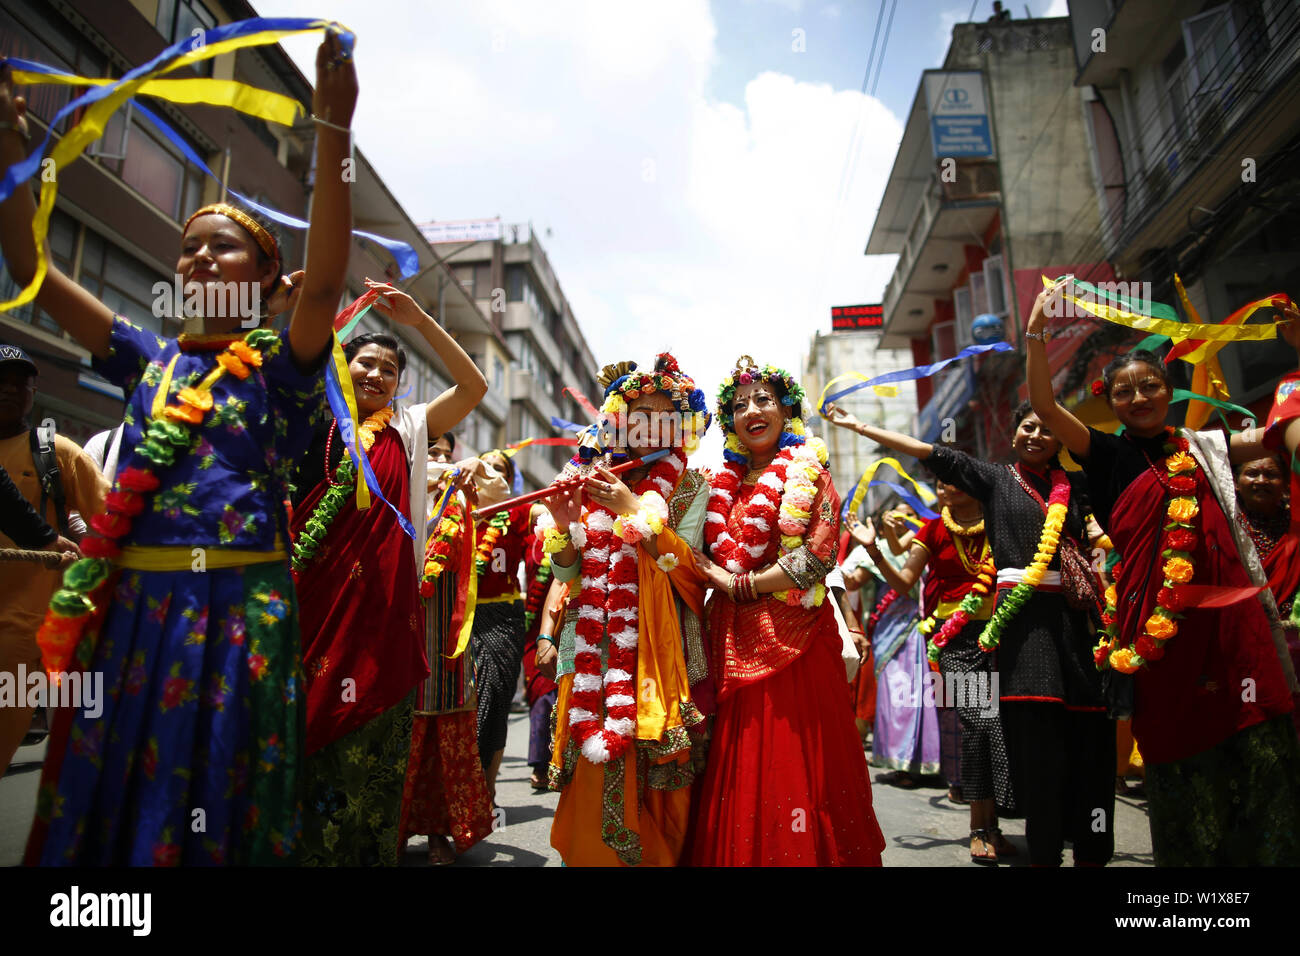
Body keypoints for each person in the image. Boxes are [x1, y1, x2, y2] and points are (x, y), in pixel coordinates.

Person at [2, 34, 356, 865]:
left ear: (266, 278)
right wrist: (11, 145)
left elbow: (331, 281)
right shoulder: (146, 359)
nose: (200, 254)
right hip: (132, 612)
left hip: (238, 607)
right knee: (123, 788)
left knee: (214, 781)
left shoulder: (284, 366)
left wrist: (333, 129)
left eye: (223, 244)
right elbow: (28, 266)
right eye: (190, 244)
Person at [1026, 279, 1300, 866]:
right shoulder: (1106, 455)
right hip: (1159, 635)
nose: (1139, 397)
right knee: (1179, 750)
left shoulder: (1208, 449)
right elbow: (1046, 408)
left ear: (1169, 390)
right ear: (1112, 401)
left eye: (1150, 385)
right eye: (1124, 391)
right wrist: (1035, 333)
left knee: (1258, 751)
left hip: (1230, 632)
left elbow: (1280, 436)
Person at [291, 285, 487, 866]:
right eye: (365, 362)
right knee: (305, 737)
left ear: (400, 383)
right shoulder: (311, 417)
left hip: (382, 621)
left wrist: (421, 320)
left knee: (377, 765)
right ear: (343, 365)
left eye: (390, 368)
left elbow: (473, 386)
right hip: (313, 613)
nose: (376, 373)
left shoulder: (409, 427)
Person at [688, 356, 885, 866]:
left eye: (763, 400)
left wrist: (740, 583)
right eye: (738, 405)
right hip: (731, 634)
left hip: (797, 636)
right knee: (743, 752)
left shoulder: (810, 473)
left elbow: (817, 557)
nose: (751, 410)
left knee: (796, 759)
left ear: (786, 410)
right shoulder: (716, 485)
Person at [542, 353, 712, 866]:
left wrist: (632, 511)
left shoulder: (691, 485)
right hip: (591, 637)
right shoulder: (590, 474)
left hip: (658, 644)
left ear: (680, 424)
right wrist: (564, 523)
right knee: (586, 751)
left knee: (652, 757)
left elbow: (686, 571)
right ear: (617, 417)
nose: (648, 425)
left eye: (663, 414)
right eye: (637, 414)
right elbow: (567, 574)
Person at [845, 477, 1015, 863]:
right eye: (940, 483)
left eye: (955, 480)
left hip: (1005, 632)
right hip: (955, 638)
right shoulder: (933, 529)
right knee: (975, 726)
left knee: (997, 727)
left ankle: (994, 826)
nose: (946, 489)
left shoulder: (999, 521)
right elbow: (905, 583)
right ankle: (979, 829)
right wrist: (873, 548)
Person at [0, 345, 107, 774]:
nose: (7, 390)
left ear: (33, 391)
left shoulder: (58, 453)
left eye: (17, 382)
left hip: (21, 631)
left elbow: (113, 520)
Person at [399, 434, 496, 865]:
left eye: (444, 452)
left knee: (442, 743)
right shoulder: (395, 484)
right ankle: (393, 830)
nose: (438, 460)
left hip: (446, 642)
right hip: (398, 634)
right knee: (399, 739)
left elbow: (501, 489)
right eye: (429, 451)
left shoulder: (461, 495)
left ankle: (440, 832)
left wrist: (473, 466)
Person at [843, 504, 940, 788]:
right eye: (896, 512)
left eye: (909, 512)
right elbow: (852, 581)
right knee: (896, 694)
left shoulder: (922, 542)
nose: (901, 517)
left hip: (918, 628)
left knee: (921, 695)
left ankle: (924, 761)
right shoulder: (872, 549)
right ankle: (901, 763)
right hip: (887, 629)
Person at [469, 448, 535, 805]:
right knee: (462, 701)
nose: (493, 473)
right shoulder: (455, 509)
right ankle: (458, 786)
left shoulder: (520, 510)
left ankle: (486, 786)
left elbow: (546, 510)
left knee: (494, 697)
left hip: (503, 616)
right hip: (456, 614)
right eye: (486, 466)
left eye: (501, 469)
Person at [1234, 452, 1300, 737]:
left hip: (1293, 641)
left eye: (1271, 474)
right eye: (1252, 473)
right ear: (1235, 482)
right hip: (1240, 639)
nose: (1261, 480)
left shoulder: (1296, 525)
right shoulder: (1223, 524)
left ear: (1286, 483)